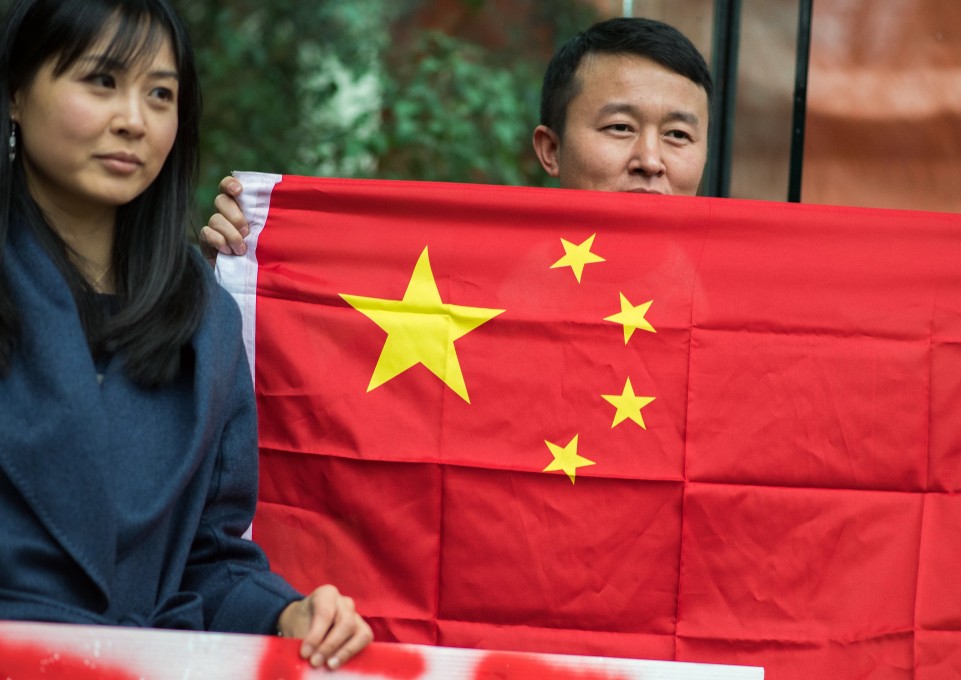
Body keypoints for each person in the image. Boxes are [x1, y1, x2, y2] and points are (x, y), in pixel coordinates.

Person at [0, 0, 371, 670]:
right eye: (101, 81)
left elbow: (208, 560)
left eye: (160, 94)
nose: (133, 120)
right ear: (16, 94)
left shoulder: (202, 316)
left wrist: (287, 614)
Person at [200, 16, 713, 258]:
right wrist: (245, 266)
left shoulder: (739, 300)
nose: (651, 159)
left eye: (677, 135)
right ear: (551, 149)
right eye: (620, 128)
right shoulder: (482, 275)